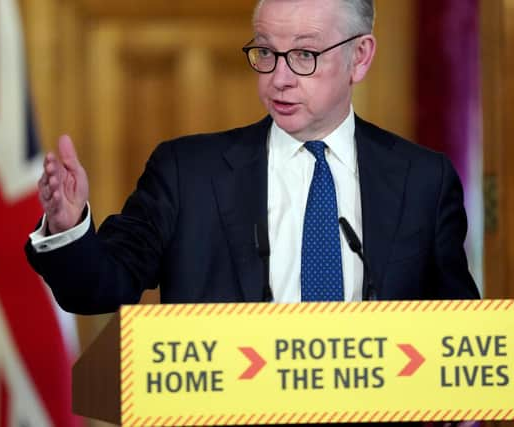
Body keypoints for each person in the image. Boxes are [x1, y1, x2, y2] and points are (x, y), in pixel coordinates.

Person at [25, 0, 479, 316]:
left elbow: (457, 334)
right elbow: (103, 286)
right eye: (265, 51)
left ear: (359, 57)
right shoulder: (187, 174)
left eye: (304, 54)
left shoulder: (423, 180)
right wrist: (69, 229)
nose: (279, 78)